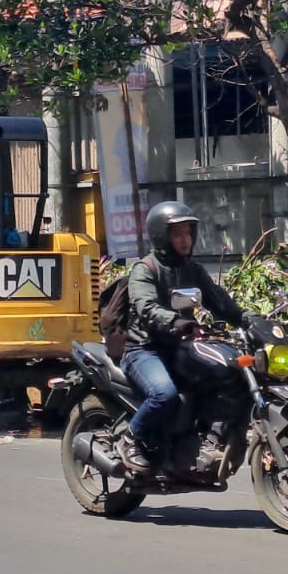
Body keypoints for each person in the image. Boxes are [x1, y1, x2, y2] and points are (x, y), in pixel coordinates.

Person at [117, 201, 247, 473]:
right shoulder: (145, 269)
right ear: (162, 236)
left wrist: (250, 319)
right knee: (165, 395)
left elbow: (220, 302)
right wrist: (177, 321)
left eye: (188, 233)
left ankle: (212, 438)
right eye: (178, 234)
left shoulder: (192, 270)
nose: (185, 240)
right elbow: (146, 307)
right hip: (144, 350)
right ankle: (131, 439)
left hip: (179, 348)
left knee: (228, 374)